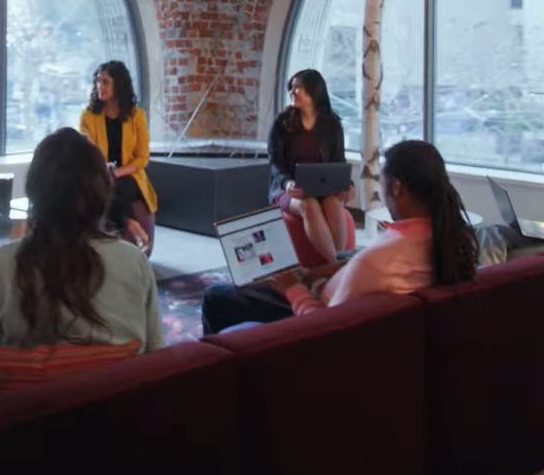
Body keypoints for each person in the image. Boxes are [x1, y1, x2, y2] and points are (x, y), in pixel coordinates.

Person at [201, 139, 480, 334]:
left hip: (312, 320)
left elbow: (325, 329)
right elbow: (378, 267)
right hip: (333, 294)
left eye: (381, 182)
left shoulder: (376, 263)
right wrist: (323, 271)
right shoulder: (451, 241)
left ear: (396, 188)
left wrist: (291, 289)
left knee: (216, 297)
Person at [0, 128, 163, 352]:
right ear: (102, 192)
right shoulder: (134, 262)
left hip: (31, 387)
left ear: (35, 193)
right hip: (120, 385)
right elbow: (156, 356)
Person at [266, 69, 352, 262]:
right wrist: (287, 182)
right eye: (291, 88)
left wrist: (348, 184)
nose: (292, 92)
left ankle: (338, 258)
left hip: (321, 188)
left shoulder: (332, 124)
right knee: (309, 206)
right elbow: (274, 163)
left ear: (314, 92)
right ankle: (336, 265)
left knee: (332, 203)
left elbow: (339, 160)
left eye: (298, 88)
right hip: (286, 189)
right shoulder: (281, 123)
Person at [76, 60, 153, 252]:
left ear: (119, 84)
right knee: (106, 187)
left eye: (105, 82)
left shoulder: (137, 116)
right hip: (98, 174)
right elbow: (86, 152)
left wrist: (116, 173)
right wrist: (105, 172)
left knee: (115, 186)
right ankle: (134, 228)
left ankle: (114, 246)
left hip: (129, 176)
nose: (99, 86)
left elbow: (142, 158)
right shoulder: (88, 116)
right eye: (97, 82)